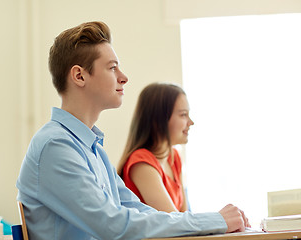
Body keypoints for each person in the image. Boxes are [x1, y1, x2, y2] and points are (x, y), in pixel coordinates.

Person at [16, 21, 250, 240]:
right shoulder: (56, 146)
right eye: (112, 68)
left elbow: (141, 212)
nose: (124, 77)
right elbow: (114, 226)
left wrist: (214, 221)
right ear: (79, 76)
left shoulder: (92, 148)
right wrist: (215, 221)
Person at [118, 83, 192, 213]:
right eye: (183, 115)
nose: (190, 122)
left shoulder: (174, 157)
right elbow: (174, 221)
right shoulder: (141, 162)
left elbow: (186, 217)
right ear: (159, 120)